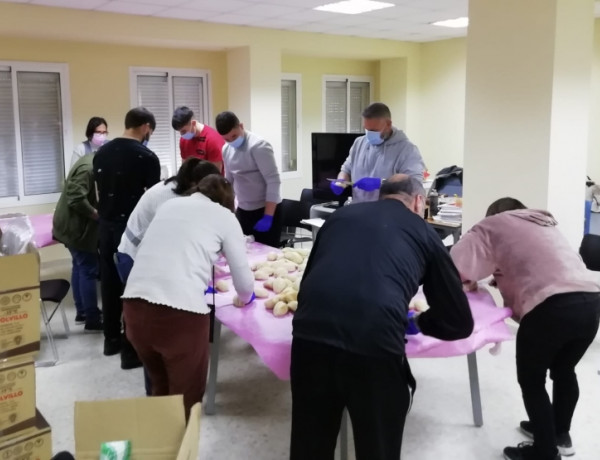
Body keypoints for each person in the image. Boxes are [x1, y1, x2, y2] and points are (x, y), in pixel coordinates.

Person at [290, 174, 474, 460]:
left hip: (309, 334)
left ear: (380, 196)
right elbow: (459, 322)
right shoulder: (424, 232)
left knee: (309, 443)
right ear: (417, 201)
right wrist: (418, 322)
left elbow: (308, 283)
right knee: (378, 446)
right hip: (374, 341)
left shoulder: (340, 217)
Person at [450, 198, 600, 460]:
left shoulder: (493, 224)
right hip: (589, 304)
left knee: (532, 380)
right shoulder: (543, 224)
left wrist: (466, 280)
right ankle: (559, 434)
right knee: (565, 370)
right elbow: (541, 267)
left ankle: (544, 452)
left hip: (550, 310)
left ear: (494, 215)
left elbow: (456, 264)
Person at [122, 174, 255, 418]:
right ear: (228, 202)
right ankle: (180, 451)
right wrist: (245, 298)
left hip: (133, 308)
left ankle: (158, 449)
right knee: (187, 399)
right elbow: (244, 283)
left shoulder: (169, 205)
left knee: (160, 386)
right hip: (180, 316)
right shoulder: (225, 217)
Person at [93, 107, 161, 369]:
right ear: (145, 127)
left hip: (106, 226)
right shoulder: (146, 157)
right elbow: (153, 200)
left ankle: (111, 341)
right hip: (132, 231)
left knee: (109, 283)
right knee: (134, 289)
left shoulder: (101, 153)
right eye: (150, 131)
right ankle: (130, 352)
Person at [118, 158, 221, 261]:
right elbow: (180, 237)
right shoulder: (170, 199)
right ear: (194, 183)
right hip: (134, 255)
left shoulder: (177, 186)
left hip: (144, 249)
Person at [331, 102, 425, 203]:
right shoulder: (359, 143)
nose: (369, 134)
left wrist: (381, 183)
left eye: (374, 130)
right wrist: (340, 181)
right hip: (359, 209)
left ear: (388, 124)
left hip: (388, 213)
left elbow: (414, 186)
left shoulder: (407, 150)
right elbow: (346, 169)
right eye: (366, 129)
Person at [215, 111, 282, 247]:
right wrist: (226, 210)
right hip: (244, 210)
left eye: (234, 136)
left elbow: (273, 181)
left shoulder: (259, 146)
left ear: (241, 126)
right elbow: (229, 181)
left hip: (266, 210)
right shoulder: (226, 150)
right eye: (226, 139)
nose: (231, 141)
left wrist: (268, 216)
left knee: (266, 256)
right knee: (244, 251)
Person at [52, 155, 103, 331]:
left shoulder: (90, 160)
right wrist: (96, 214)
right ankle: (92, 319)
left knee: (79, 266)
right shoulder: (89, 169)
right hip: (75, 228)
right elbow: (75, 198)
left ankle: (82, 312)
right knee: (89, 269)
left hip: (69, 226)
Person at [172, 106, 224, 172]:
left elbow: (216, 174)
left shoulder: (212, 140)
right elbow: (184, 167)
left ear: (193, 123)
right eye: (180, 131)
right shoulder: (183, 140)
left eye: (184, 131)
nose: (182, 134)